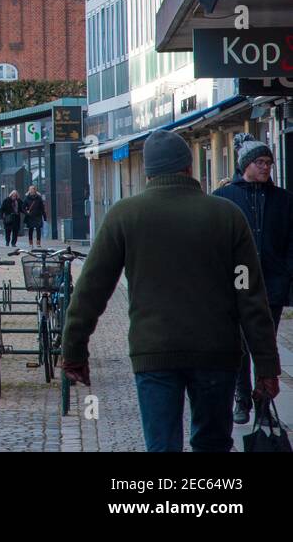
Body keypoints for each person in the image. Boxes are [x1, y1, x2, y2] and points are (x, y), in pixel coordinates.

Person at [61, 129, 280, 452]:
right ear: (189, 167)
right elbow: (249, 295)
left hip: (154, 352)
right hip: (216, 353)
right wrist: (266, 366)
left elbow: (91, 289)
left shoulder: (124, 215)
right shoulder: (227, 217)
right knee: (213, 444)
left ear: (148, 173)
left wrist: (74, 350)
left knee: (162, 446)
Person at [214, 138, 293, 424]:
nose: (266, 168)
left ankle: (263, 405)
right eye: (260, 163)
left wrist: (286, 274)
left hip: (271, 285)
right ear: (246, 164)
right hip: (238, 284)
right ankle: (242, 399)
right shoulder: (224, 198)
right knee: (239, 345)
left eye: (269, 163)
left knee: (266, 346)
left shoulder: (283, 199)